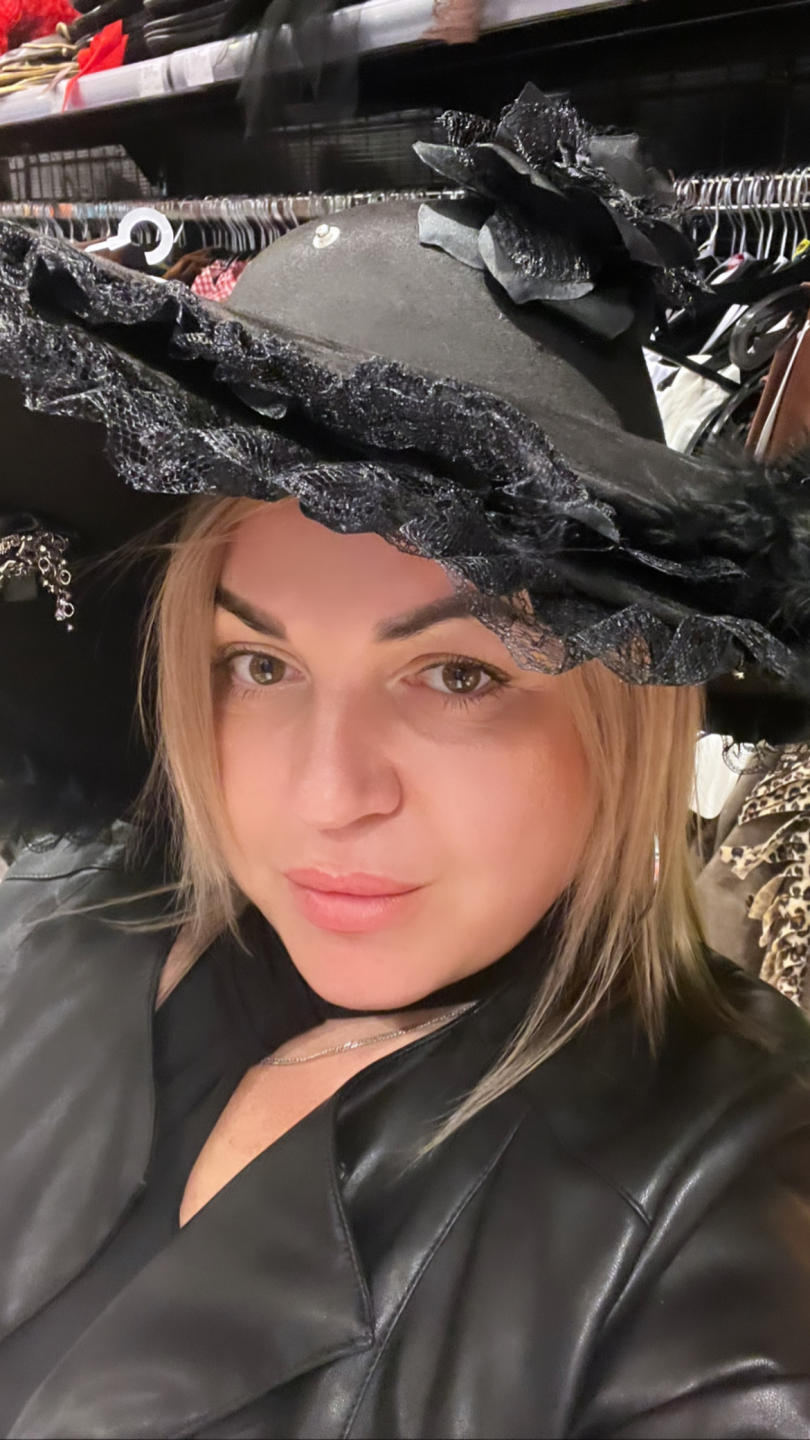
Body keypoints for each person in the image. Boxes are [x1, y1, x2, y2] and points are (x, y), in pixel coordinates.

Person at [1, 85, 810, 1438]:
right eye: (259, 665)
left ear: (623, 710)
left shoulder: (716, 1184)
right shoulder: (51, 930)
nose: (327, 798)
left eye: (458, 676)